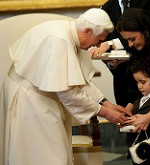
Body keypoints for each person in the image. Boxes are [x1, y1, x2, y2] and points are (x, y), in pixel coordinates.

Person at [0, 8, 132, 165]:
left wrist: (108, 105)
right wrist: (106, 113)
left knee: (56, 152)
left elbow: (80, 81)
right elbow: (67, 92)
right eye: (98, 40)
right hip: (29, 100)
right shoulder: (59, 40)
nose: (97, 45)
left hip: (43, 96)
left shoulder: (72, 34)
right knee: (44, 155)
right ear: (87, 31)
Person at [90, 0, 150, 107]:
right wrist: (111, 63)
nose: (130, 44)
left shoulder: (149, 1)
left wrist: (111, 44)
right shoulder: (107, 7)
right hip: (122, 79)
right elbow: (104, 44)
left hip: (148, 74)